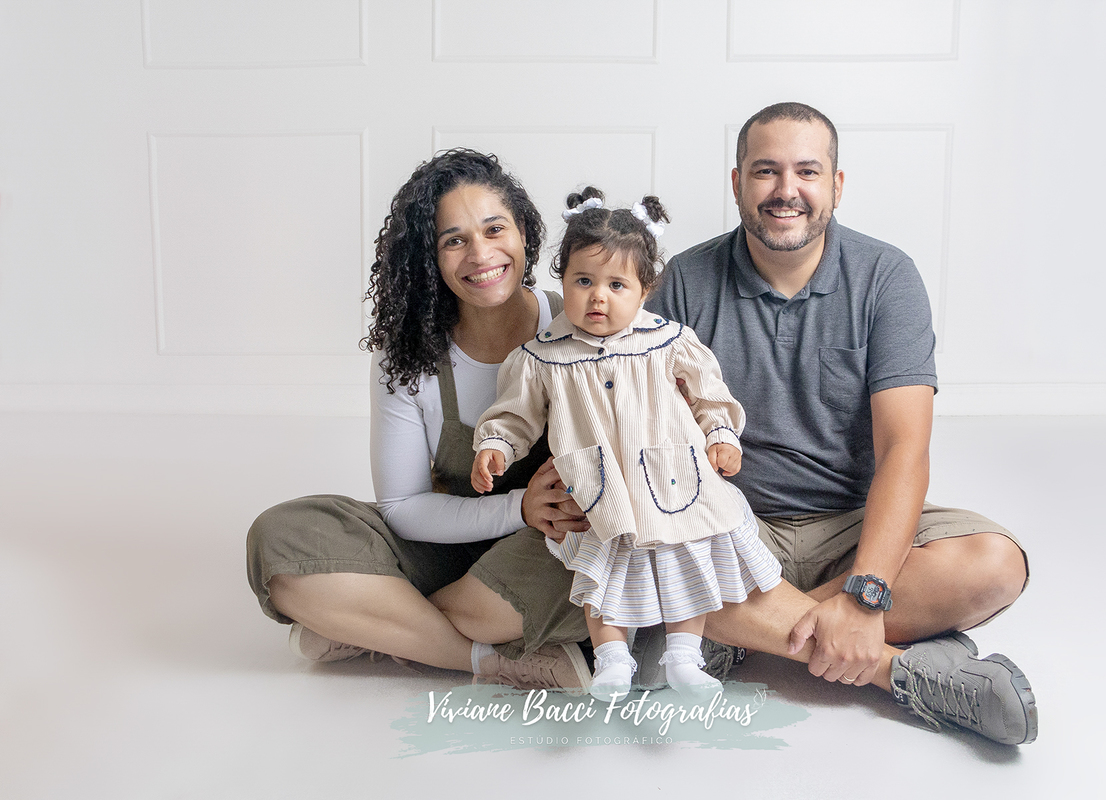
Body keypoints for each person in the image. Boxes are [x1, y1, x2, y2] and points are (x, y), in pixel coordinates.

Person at [619, 102, 1035, 745]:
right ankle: (899, 670)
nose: (786, 190)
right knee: (636, 555)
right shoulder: (684, 283)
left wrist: (865, 594)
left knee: (995, 564)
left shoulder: (885, 276)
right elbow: (649, 445)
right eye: (766, 171)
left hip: (852, 527)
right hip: (732, 527)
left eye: (807, 171)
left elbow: (904, 451)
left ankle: (741, 635)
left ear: (836, 185)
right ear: (737, 183)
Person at [246, 149, 592, 690]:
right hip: (446, 546)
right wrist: (518, 508)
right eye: (454, 240)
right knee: (281, 541)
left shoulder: (584, 323)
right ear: (429, 258)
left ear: (524, 232)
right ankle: (491, 659)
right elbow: (404, 507)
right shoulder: (406, 357)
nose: (481, 254)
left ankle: (374, 624)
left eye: (494, 229)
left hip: (547, 550)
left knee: (602, 556)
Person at [470, 188, 783, 701]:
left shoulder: (669, 341)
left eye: (617, 284)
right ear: (562, 280)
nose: (599, 297)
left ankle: (684, 656)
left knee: (686, 559)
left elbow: (710, 394)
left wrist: (721, 435)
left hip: (674, 479)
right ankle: (612, 659)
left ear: (644, 289)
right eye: (584, 281)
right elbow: (515, 412)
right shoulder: (543, 356)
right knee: (604, 572)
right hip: (598, 488)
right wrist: (497, 446)